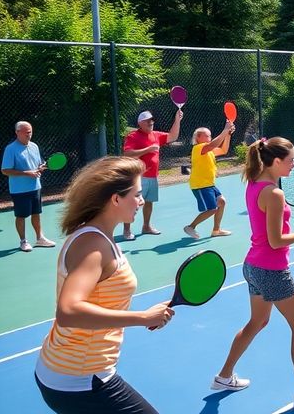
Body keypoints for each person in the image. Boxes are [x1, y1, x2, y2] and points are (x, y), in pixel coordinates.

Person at [34, 156, 174, 413]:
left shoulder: (98, 237)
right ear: (116, 198)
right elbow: (68, 311)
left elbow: (100, 298)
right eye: (137, 194)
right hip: (78, 379)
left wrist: (145, 316)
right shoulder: (94, 245)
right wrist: (142, 317)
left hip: (66, 369)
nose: (141, 201)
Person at [212, 137, 294, 409]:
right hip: (271, 269)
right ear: (276, 161)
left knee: (257, 322)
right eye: (291, 161)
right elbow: (276, 240)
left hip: (252, 267)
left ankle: (223, 376)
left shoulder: (254, 183)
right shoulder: (274, 193)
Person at [122, 110, 182, 240]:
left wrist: (177, 119)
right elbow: (127, 154)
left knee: (149, 202)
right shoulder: (133, 136)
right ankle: (127, 230)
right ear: (140, 123)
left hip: (153, 176)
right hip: (138, 177)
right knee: (133, 203)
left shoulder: (156, 135)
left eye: (152, 120)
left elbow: (173, 136)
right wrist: (148, 149)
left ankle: (146, 226)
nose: (151, 122)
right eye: (148, 120)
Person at [1, 121, 55, 252]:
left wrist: (41, 167)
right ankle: (23, 241)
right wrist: (26, 173)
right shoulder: (11, 149)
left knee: (36, 213)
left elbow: (39, 163)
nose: (28, 135)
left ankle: (40, 238)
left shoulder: (34, 146)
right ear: (17, 133)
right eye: (25, 132)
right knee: (21, 215)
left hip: (36, 187)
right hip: (19, 190)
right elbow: (5, 170)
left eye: (30, 132)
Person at [183, 121, 235, 239]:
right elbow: (212, 145)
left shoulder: (208, 150)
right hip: (200, 185)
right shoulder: (198, 148)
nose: (209, 138)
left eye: (210, 136)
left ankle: (216, 230)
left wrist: (228, 135)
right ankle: (191, 227)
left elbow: (223, 150)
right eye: (207, 135)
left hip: (209, 184)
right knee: (212, 209)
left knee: (221, 201)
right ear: (198, 138)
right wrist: (225, 130)